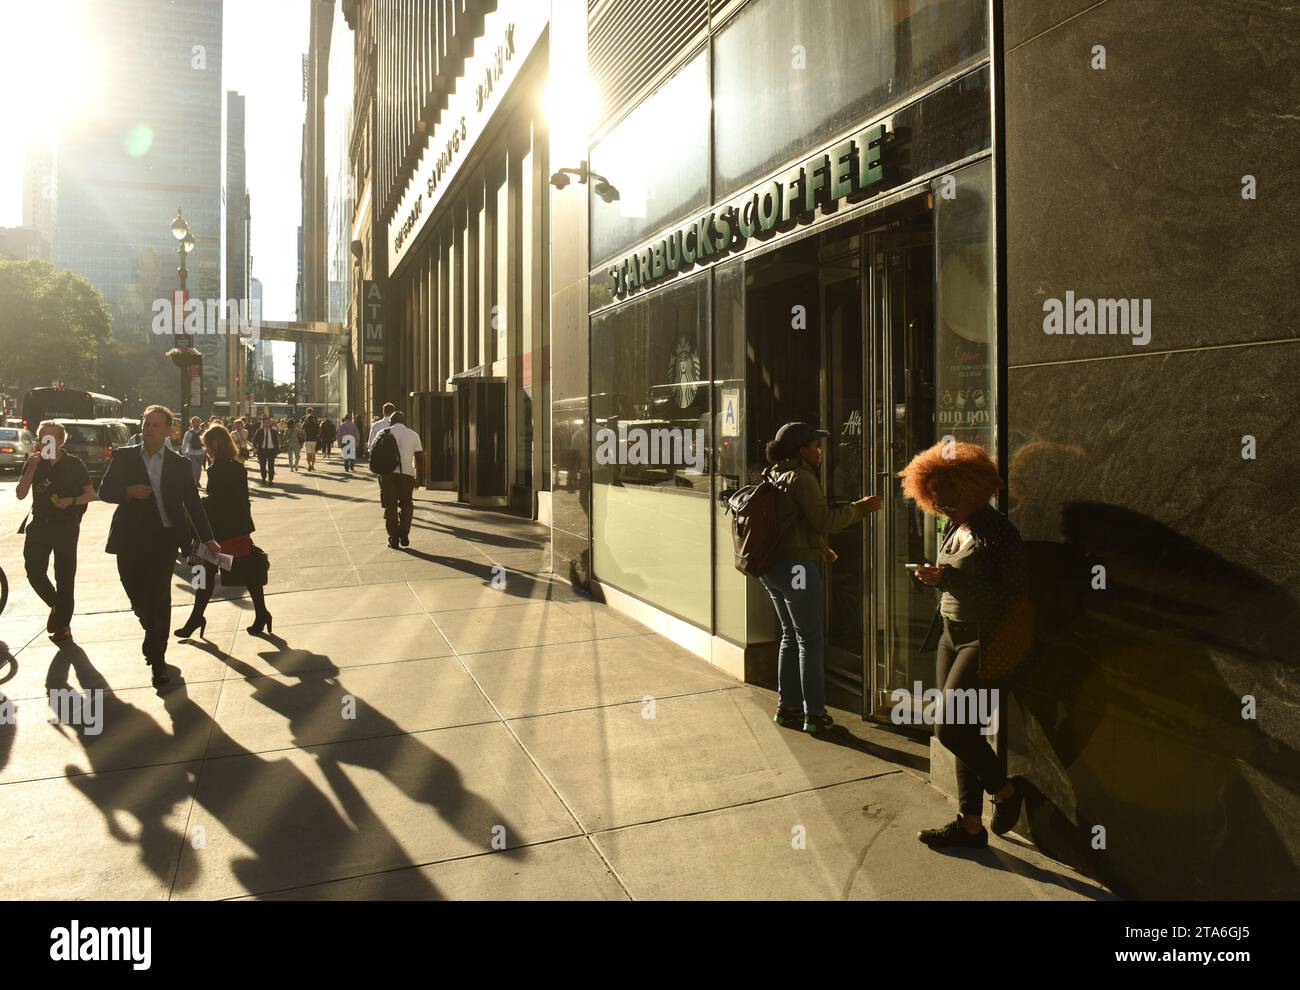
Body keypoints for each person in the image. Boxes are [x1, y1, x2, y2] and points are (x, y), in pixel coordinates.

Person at [900, 440, 1029, 849]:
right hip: (951, 636)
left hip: (985, 638)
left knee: (951, 728)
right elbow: (956, 579)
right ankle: (970, 825)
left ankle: (1006, 793)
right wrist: (932, 578)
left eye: (950, 498)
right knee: (965, 728)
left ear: (973, 488)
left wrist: (948, 579)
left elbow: (1013, 595)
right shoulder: (955, 525)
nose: (943, 507)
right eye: (935, 501)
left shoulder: (999, 531)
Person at [759, 422, 882, 733]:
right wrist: (861, 508)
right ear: (802, 449)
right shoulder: (802, 477)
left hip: (773, 567)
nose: (820, 452)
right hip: (797, 569)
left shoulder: (776, 473)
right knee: (810, 640)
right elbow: (824, 519)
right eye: (815, 446)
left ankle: (787, 708)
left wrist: (819, 549)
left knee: (790, 636)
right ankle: (814, 714)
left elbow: (793, 523)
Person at [98, 405, 221, 686]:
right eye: (146, 423)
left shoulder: (178, 464)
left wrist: (208, 538)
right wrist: (127, 492)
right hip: (129, 539)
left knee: (160, 599)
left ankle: (158, 659)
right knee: (137, 596)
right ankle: (149, 626)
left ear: (168, 430)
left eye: (155, 425)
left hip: (164, 540)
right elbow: (104, 491)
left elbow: (192, 503)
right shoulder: (124, 457)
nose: (149, 429)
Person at [175, 424, 273, 639]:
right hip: (235, 530)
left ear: (215, 444)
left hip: (219, 533)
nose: (205, 450)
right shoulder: (236, 467)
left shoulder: (217, 469)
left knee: (206, 575)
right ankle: (261, 613)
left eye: (206, 445)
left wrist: (197, 504)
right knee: (246, 573)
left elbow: (218, 501)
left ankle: (197, 618)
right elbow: (238, 500)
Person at [16, 422, 96, 643]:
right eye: (43, 438)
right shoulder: (34, 462)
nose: (46, 443)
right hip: (40, 525)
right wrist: (31, 467)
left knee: (65, 577)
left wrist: (71, 501)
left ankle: (63, 625)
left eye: (51, 439)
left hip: (66, 525)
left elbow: (90, 493)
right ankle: (55, 605)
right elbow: (20, 494)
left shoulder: (74, 464)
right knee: (34, 571)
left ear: (62, 441)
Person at [376, 410, 423, 548]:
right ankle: (404, 532)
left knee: (390, 507)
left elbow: (373, 454)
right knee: (407, 504)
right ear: (404, 421)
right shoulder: (413, 434)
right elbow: (419, 457)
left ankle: (393, 538)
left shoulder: (383, 433)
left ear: (391, 421)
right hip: (406, 475)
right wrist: (419, 477)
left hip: (387, 475)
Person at [251, 414, 280, 484]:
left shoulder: (273, 432)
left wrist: (277, 450)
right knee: (262, 465)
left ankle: (270, 479)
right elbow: (254, 440)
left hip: (271, 450)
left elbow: (276, 441)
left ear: (270, 423)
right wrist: (255, 447)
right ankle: (263, 477)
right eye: (265, 422)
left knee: (271, 466)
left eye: (268, 422)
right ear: (263, 423)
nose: (267, 424)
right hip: (262, 450)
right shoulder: (259, 431)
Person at [181, 416, 206, 486]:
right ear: (192, 423)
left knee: (199, 469)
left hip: (201, 453)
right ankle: (195, 483)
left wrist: (206, 451)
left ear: (200, 422)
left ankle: (197, 481)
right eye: (195, 422)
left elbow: (206, 442)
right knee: (194, 468)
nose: (197, 423)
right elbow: (185, 443)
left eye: (198, 422)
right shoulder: (188, 433)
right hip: (192, 453)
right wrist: (184, 453)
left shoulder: (203, 432)